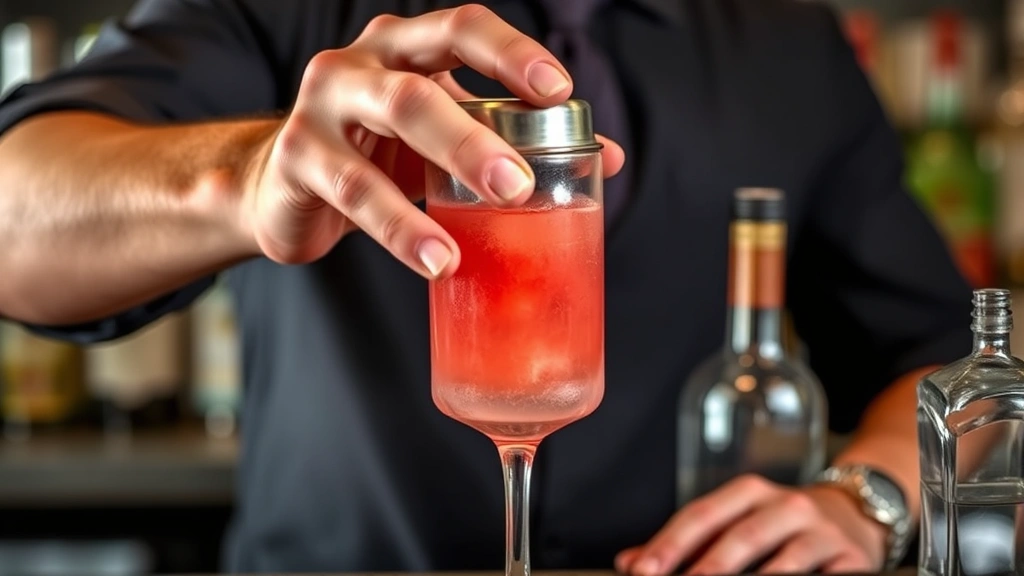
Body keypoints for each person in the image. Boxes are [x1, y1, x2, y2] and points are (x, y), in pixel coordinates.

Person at [0, 0, 973, 573]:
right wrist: (249, 175)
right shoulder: (284, 12)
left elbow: (953, 367)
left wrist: (871, 499)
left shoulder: (784, 42)